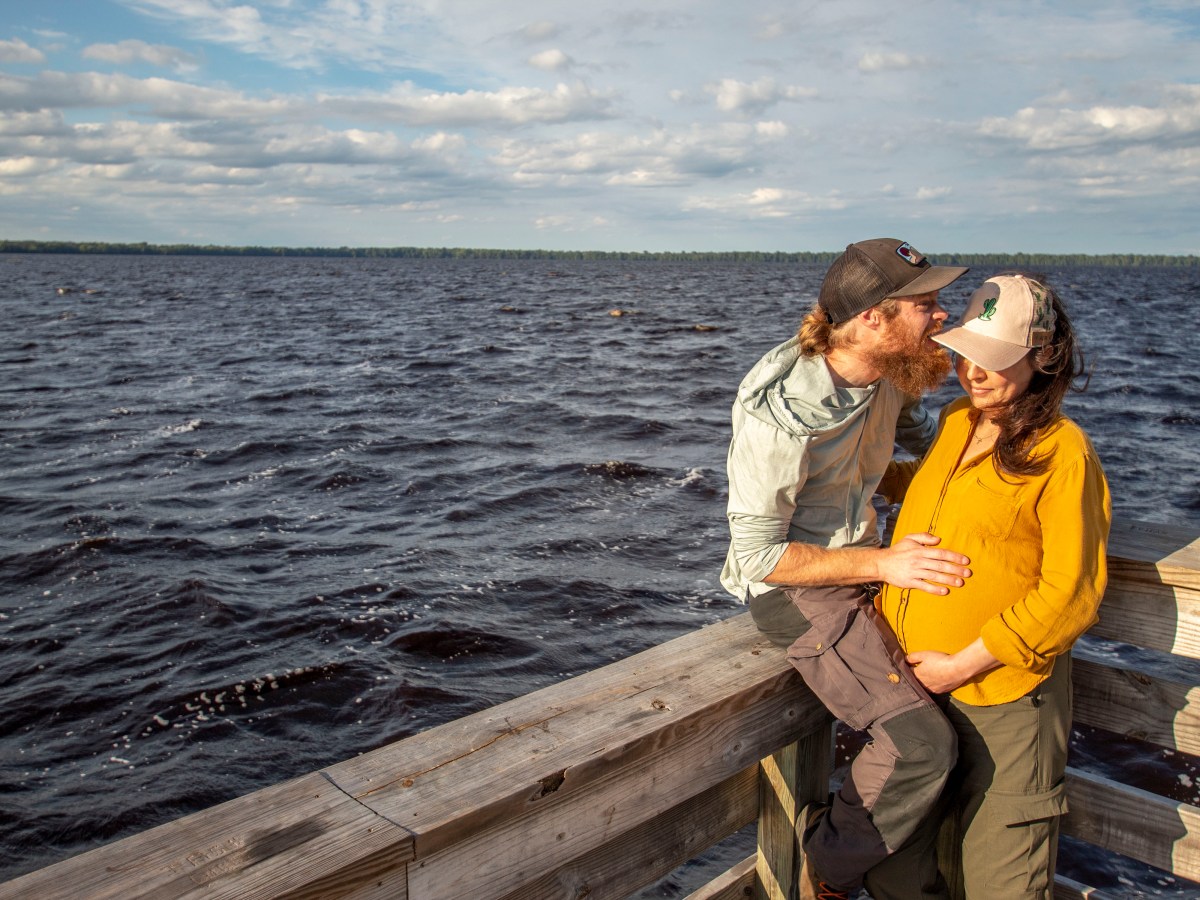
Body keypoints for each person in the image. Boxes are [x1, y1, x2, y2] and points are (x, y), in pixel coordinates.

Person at [721, 238, 974, 899]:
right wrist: (887, 562)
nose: (942, 316)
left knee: (949, 720)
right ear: (873, 319)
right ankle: (825, 872)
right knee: (921, 746)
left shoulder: (886, 375)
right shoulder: (781, 417)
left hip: (861, 567)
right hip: (796, 591)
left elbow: (921, 453)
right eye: (927, 305)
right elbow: (759, 557)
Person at [865, 274, 1111, 899]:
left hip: (1005, 700)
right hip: (918, 688)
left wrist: (961, 664)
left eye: (995, 358)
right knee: (896, 865)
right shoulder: (956, 420)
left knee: (1002, 878)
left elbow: (1070, 592)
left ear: (1044, 356)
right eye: (969, 352)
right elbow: (926, 494)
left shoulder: (1064, 452)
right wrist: (842, 475)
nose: (974, 372)